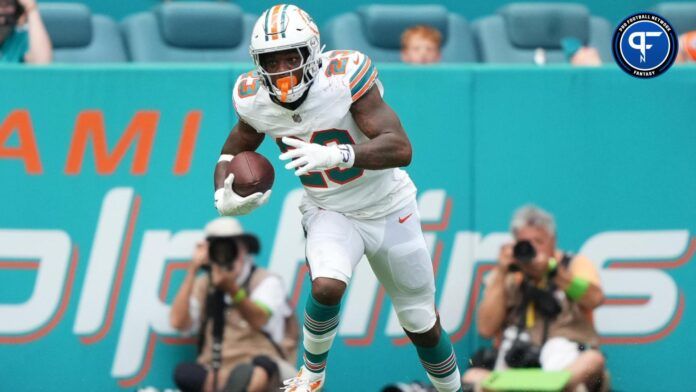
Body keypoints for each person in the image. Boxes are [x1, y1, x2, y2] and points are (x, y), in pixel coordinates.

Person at [213, 4, 463, 392]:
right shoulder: (253, 98)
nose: (280, 69)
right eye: (270, 60)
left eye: (288, 56)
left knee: (420, 322)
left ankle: (452, 389)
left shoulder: (344, 77)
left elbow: (400, 147)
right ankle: (311, 376)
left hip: (388, 205)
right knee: (327, 286)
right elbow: (231, 153)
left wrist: (338, 154)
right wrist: (223, 192)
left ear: (311, 52)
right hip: (329, 208)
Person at [462, 205, 606, 392]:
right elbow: (485, 329)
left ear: (552, 241)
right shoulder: (509, 274)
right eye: (526, 243)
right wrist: (501, 272)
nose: (533, 248)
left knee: (592, 360)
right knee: (473, 378)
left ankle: (553, 386)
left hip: (565, 364)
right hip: (514, 363)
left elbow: (594, 299)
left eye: (539, 241)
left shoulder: (573, 265)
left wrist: (553, 272)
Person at [170, 217, 297, 392]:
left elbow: (259, 319)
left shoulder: (267, 281)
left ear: (244, 249)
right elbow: (178, 323)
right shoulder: (203, 284)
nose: (225, 255)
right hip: (219, 373)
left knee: (258, 370)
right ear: (209, 253)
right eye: (218, 249)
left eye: (230, 248)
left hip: (267, 371)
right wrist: (193, 269)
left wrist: (232, 290)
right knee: (185, 373)